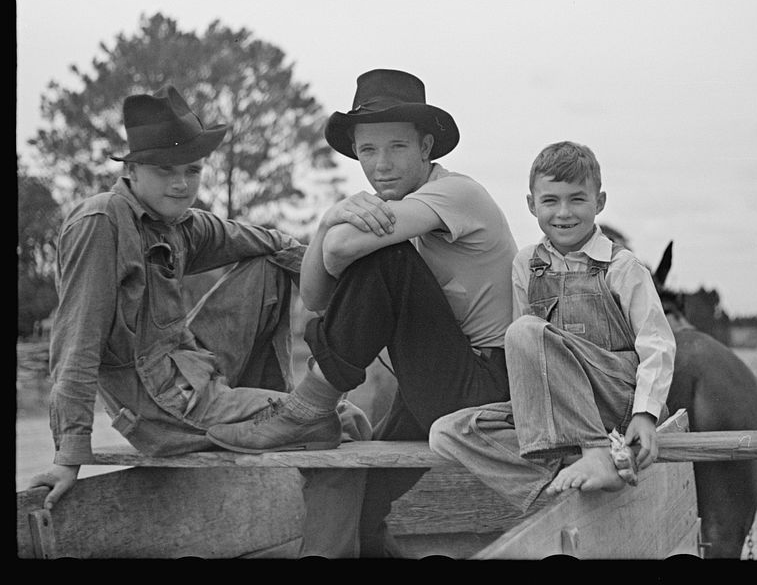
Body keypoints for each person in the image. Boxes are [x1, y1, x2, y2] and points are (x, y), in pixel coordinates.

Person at [206, 68, 517, 557]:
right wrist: (332, 214)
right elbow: (315, 297)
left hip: (487, 387)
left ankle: (309, 407)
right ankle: (312, 409)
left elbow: (343, 252)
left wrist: (340, 229)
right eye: (368, 151)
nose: (381, 166)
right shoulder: (398, 211)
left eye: (396, 148)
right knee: (366, 508)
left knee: (386, 257)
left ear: (427, 148)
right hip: (434, 379)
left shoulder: (457, 194)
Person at [27, 86, 372, 518]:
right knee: (344, 420)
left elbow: (272, 241)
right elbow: (75, 342)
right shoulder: (102, 223)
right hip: (163, 408)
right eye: (165, 170)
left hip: (198, 373)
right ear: (132, 170)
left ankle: (276, 406)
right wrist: (68, 454)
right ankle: (335, 550)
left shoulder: (179, 224)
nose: (181, 183)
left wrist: (362, 287)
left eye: (192, 170)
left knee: (268, 259)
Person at [428, 140, 677, 512]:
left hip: (613, 400)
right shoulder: (526, 265)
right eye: (550, 201)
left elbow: (656, 343)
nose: (564, 213)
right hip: (557, 409)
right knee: (447, 432)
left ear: (600, 202)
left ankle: (595, 451)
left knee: (525, 330)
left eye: (577, 199)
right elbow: (525, 358)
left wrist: (645, 413)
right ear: (532, 205)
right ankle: (563, 477)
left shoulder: (622, 267)